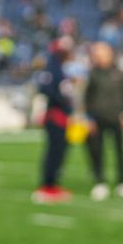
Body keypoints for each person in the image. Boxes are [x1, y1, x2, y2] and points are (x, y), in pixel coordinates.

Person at [83, 41, 123, 201]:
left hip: (117, 117)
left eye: (101, 53)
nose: (99, 56)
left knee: (120, 151)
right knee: (97, 151)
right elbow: (87, 98)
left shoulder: (121, 73)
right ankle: (100, 182)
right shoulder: (93, 74)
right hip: (97, 118)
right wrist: (89, 118)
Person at [31, 37, 76, 204]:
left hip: (60, 115)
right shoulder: (52, 68)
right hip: (55, 115)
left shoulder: (58, 67)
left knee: (59, 151)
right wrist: (61, 99)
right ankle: (47, 185)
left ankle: (52, 183)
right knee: (53, 152)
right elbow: (47, 89)